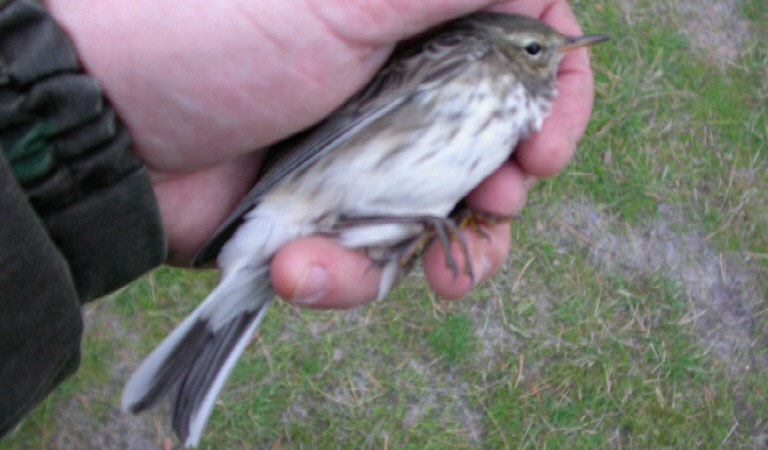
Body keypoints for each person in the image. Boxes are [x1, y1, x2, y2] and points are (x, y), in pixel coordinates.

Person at [0, 0, 596, 437]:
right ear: (505, 51)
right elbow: (358, 123)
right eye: (535, 51)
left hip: (326, 206)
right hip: (314, 189)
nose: (551, 57)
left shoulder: (506, 99)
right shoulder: (470, 58)